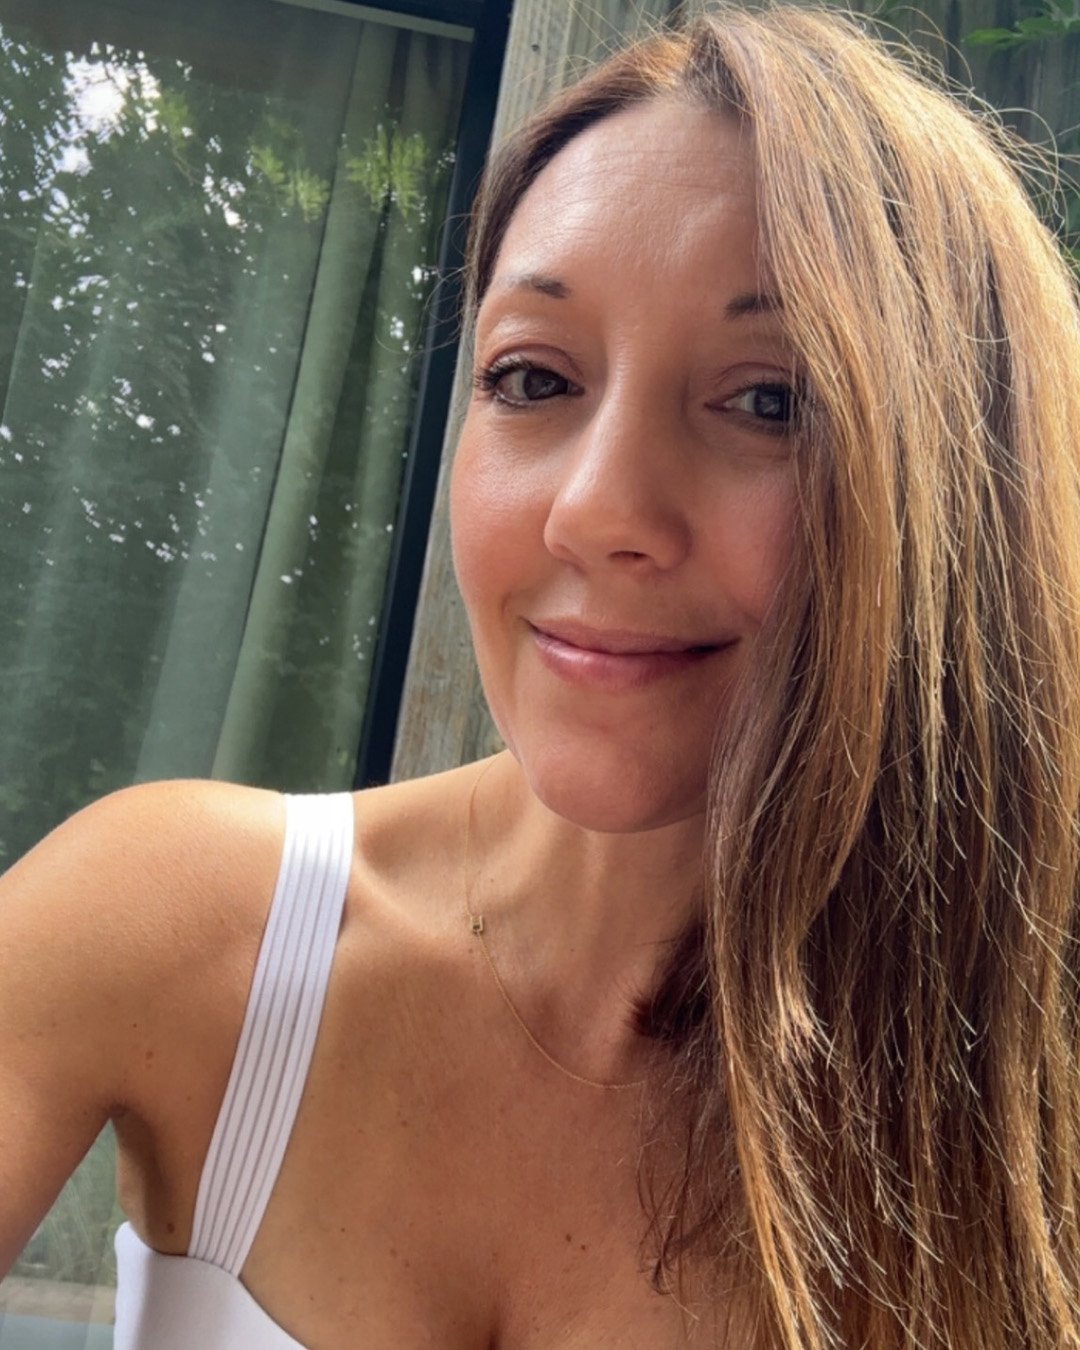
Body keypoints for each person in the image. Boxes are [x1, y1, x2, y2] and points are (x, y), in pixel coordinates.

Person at [3, 4, 1079, 1346]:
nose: (595, 509)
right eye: (532, 378)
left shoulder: (1019, 1155)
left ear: (963, 500)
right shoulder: (184, 923)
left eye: (770, 401)